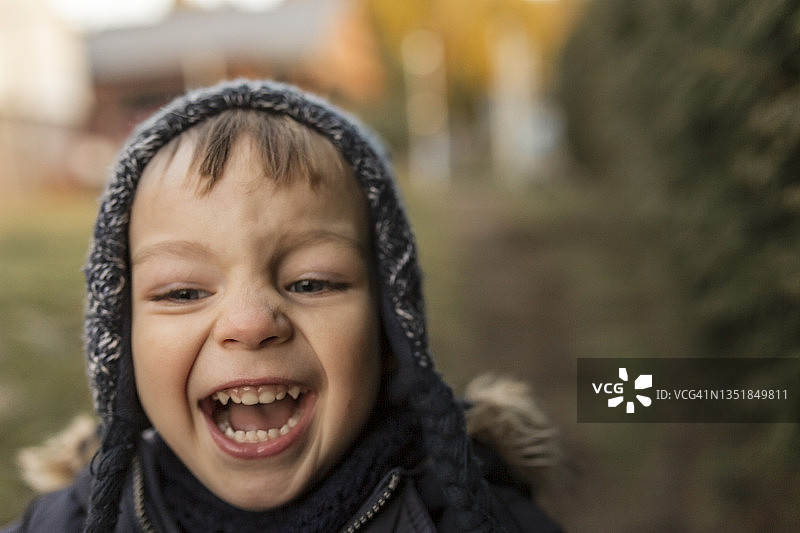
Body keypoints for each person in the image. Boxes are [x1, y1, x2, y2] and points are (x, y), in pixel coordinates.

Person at [3, 80, 561, 532]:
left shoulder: (478, 514)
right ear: (120, 344)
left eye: (312, 282)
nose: (249, 324)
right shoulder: (64, 523)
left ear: (392, 330)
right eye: (183, 292)